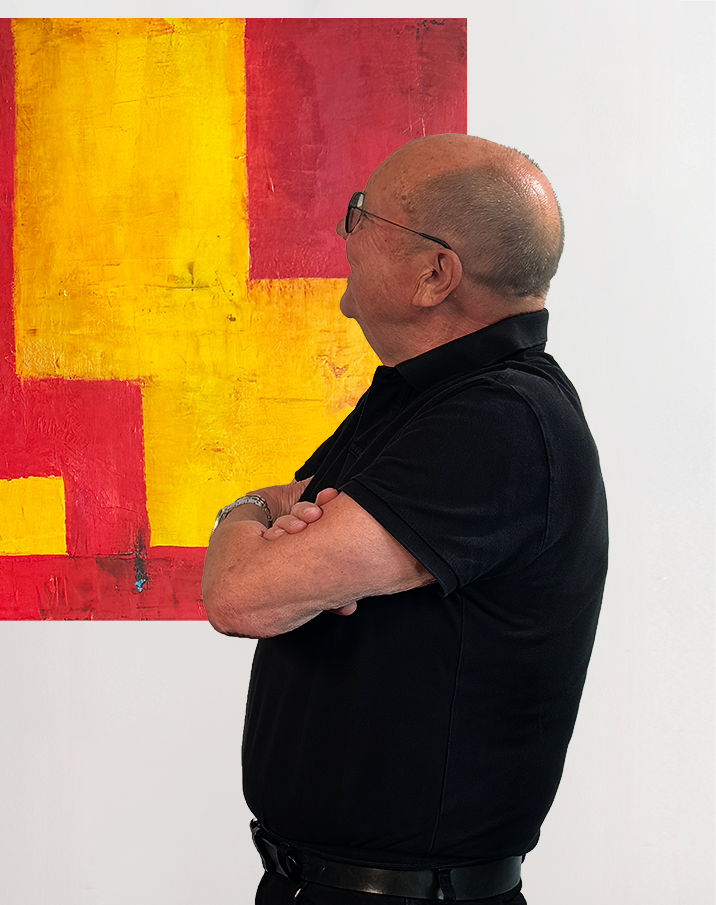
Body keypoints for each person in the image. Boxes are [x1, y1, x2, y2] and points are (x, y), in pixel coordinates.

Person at [201, 133, 607, 905]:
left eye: (362, 214)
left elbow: (241, 595)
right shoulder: (418, 400)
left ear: (433, 274)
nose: (343, 232)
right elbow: (276, 558)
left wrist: (246, 511)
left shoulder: (498, 421)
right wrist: (287, 538)